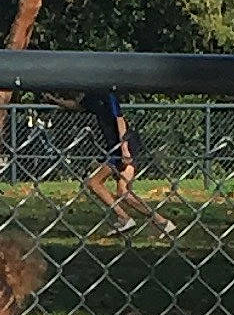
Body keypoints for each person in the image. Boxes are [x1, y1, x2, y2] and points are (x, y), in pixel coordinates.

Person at [49, 89, 175, 236]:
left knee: (121, 191)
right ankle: (129, 218)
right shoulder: (90, 97)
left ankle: (159, 222)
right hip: (113, 149)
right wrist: (55, 100)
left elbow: (119, 118)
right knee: (95, 183)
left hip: (125, 144)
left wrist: (124, 147)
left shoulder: (107, 94)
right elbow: (77, 106)